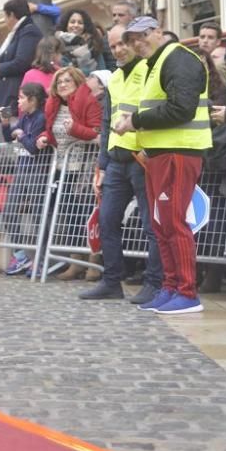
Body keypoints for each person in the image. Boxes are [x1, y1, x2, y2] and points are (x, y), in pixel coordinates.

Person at [114, 16, 211, 315]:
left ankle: (186, 291)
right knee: (162, 223)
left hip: (179, 150)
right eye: (131, 40)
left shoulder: (178, 59)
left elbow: (181, 108)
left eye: (142, 36)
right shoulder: (158, 62)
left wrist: (135, 122)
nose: (136, 44)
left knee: (172, 222)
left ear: (158, 31)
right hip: (162, 152)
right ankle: (171, 287)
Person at [79, 25, 163, 303]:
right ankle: (111, 281)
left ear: (134, 42)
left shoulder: (149, 70)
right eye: (113, 46)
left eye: (122, 43)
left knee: (152, 225)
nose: (118, 50)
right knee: (107, 221)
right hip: (117, 159)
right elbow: (106, 122)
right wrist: (102, 165)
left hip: (142, 158)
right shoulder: (114, 79)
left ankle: (154, 283)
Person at [38, 66, 103, 281]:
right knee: (70, 216)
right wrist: (44, 137)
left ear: (77, 82)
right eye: (59, 82)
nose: (63, 84)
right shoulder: (54, 105)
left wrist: (75, 128)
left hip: (84, 168)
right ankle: (76, 262)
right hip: (61, 168)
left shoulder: (88, 102)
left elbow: (97, 134)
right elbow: (53, 131)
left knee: (86, 216)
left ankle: (93, 264)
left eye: (67, 81)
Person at [2, 83, 50, 276]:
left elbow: (32, 146)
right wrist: (7, 124)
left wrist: (20, 135)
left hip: (37, 171)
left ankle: (41, 260)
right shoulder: (25, 118)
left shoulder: (41, 118)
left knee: (39, 216)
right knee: (9, 211)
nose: (19, 102)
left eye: (22, 98)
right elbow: (9, 137)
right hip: (22, 169)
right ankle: (21, 255)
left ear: (33, 100)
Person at [0, 0, 44, 112]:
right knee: (7, 128)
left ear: (12, 15)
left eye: (5, 16)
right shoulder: (19, 33)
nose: (4, 20)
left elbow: (22, 62)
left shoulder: (29, 32)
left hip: (15, 97)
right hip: (9, 95)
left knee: (14, 129)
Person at [55, 9, 112, 74]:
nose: (76, 25)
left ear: (85, 26)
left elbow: (103, 72)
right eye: (72, 22)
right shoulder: (57, 46)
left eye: (80, 23)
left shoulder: (93, 45)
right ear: (66, 25)